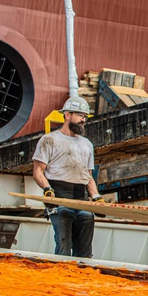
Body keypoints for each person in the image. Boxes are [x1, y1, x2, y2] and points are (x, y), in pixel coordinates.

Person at [32, 96, 102, 258]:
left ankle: (81, 278)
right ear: (67, 115)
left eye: (85, 117)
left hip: (81, 199)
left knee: (85, 251)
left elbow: (88, 176)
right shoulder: (50, 140)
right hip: (59, 199)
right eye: (80, 116)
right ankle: (61, 277)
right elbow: (38, 171)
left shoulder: (87, 144)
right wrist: (47, 189)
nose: (83, 120)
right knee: (63, 247)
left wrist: (96, 197)